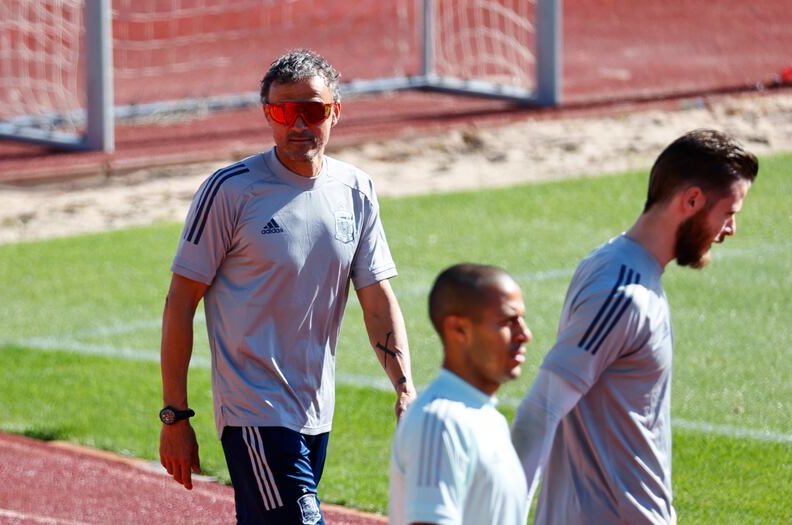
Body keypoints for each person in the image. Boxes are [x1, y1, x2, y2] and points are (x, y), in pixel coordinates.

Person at [158, 49, 416, 525]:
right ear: (267, 115)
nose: (298, 124)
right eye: (283, 111)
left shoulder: (356, 190)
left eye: (313, 110)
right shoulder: (231, 190)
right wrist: (175, 415)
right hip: (254, 411)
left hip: (316, 410)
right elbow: (180, 302)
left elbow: (376, 297)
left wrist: (405, 388)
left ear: (335, 111)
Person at [511, 129, 758, 524]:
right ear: (692, 200)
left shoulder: (612, 263)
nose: (730, 230)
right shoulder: (623, 293)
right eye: (728, 213)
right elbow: (540, 411)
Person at [389, 263, 533, 525]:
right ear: (458, 330)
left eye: (522, 320)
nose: (525, 334)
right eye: (507, 322)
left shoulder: (487, 418)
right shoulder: (441, 422)